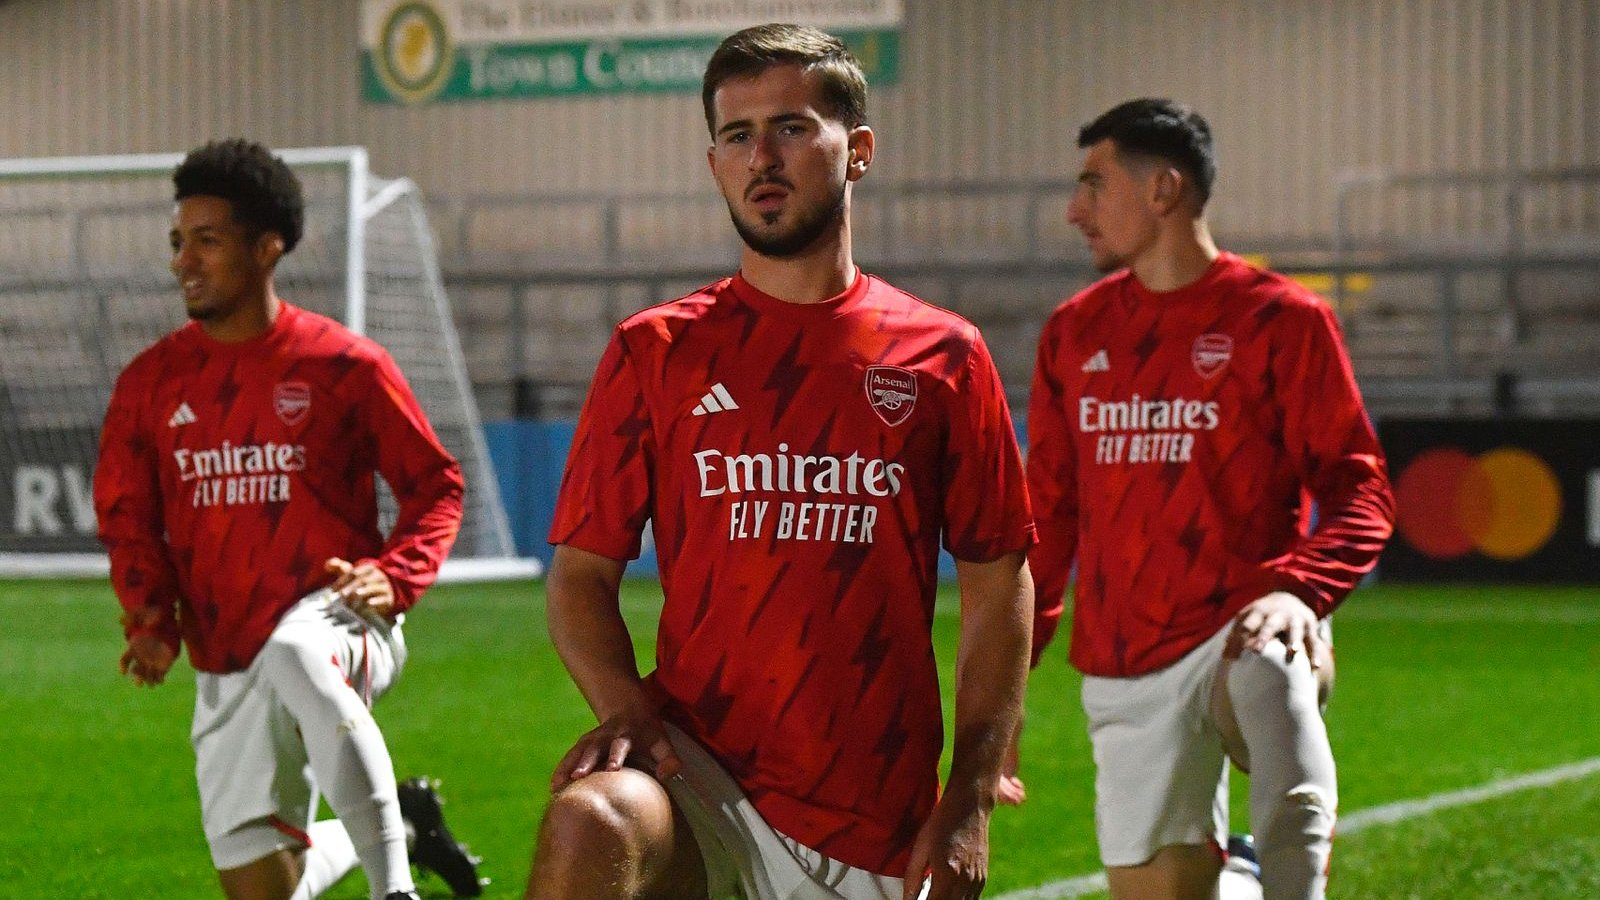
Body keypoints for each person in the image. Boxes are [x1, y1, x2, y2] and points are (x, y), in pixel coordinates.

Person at [524, 23, 1035, 900]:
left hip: (874, 812)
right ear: (714, 161)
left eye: (793, 128)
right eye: (736, 135)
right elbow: (578, 578)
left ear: (858, 150)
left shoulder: (945, 357)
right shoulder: (657, 351)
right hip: (700, 779)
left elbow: (1000, 586)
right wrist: (629, 710)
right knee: (591, 819)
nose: (762, 156)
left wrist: (973, 794)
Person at [94, 139, 485, 900]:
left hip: (343, 617)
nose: (184, 261)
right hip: (223, 651)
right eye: (179, 242)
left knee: (296, 653)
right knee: (268, 889)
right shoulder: (151, 383)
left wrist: (394, 576)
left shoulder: (345, 366)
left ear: (267, 248)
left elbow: (435, 484)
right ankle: (400, 823)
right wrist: (149, 617)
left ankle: (393, 889)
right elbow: (128, 512)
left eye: (207, 240)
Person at [1024, 99, 1395, 900]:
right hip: (1124, 652)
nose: (1074, 210)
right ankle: (1243, 879)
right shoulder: (1073, 333)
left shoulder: (1283, 320)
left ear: (1163, 189)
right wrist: (1007, 672)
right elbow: (1048, 518)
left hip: (1244, 617)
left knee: (1270, 672)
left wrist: (1302, 591)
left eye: (1094, 184)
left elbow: (1359, 486)